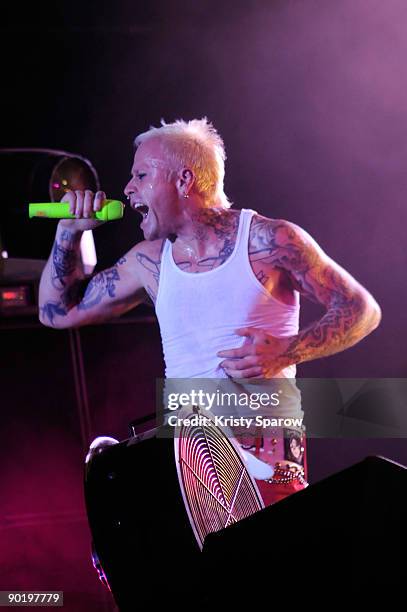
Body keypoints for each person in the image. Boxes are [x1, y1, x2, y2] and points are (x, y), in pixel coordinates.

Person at [38, 118, 382, 504]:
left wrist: (288, 350)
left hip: (268, 473)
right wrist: (68, 231)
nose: (128, 189)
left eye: (141, 175)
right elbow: (56, 312)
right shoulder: (148, 262)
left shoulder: (269, 240)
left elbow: (361, 309)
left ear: (184, 180)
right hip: (190, 479)